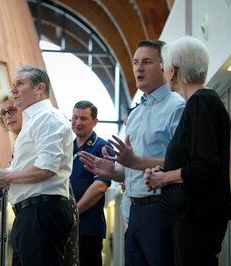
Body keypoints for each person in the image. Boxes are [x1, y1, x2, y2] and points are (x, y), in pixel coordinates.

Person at [79, 40, 185, 266]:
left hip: (161, 209)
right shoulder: (135, 114)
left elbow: (182, 162)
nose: (138, 68)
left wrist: (135, 162)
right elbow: (131, 170)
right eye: (136, 62)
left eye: (146, 62)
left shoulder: (176, 107)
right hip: (134, 211)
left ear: (164, 67)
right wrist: (113, 171)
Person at [143, 36, 231, 265]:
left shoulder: (200, 103)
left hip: (197, 215)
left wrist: (164, 178)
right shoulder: (206, 102)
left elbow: (205, 165)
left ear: (172, 71)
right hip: (199, 213)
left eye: (164, 68)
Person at [0, 66, 74, 266]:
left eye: (19, 84)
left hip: (41, 211)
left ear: (39, 88)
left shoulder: (47, 117)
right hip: (30, 213)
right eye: (13, 85)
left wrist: (5, 177)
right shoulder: (32, 122)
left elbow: (45, 168)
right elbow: (22, 169)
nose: (13, 91)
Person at [70, 100, 111, 266]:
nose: (78, 122)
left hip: (87, 228)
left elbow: (100, 186)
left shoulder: (102, 147)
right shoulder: (66, 147)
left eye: (83, 118)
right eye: (74, 118)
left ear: (94, 121)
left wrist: (73, 213)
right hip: (65, 226)